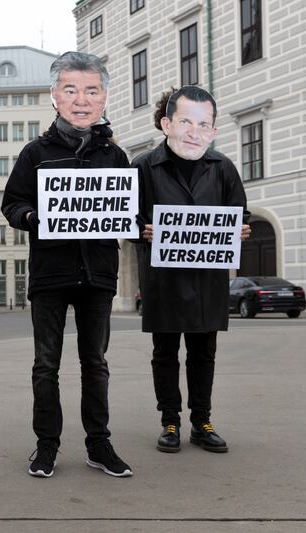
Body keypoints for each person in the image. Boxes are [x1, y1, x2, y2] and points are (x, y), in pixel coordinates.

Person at [1, 51, 133, 478]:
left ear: (104, 97)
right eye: (71, 90)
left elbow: (127, 210)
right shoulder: (34, 152)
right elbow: (12, 203)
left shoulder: (116, 157)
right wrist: (32, 217)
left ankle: (99, 445)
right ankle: (46, 446)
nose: (81, 99)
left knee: (95, 362)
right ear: (54, 96)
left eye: (91, 90)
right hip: (51, 275)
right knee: (46, 365)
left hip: (98, 274)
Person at [134, 86, 250, 454]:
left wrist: (241, 228)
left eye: (204, 124)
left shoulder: (224, 167)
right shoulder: (142, 167)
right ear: (167, 124)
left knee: (204, 353)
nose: (194, 131)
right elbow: (123, 217)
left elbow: (239, 212)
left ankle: (202, 420)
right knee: (164, 353)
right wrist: (141, 229)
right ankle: (170, 420)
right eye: (185, 121)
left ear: (213, 130)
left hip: (206, 281)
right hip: (163, 280)